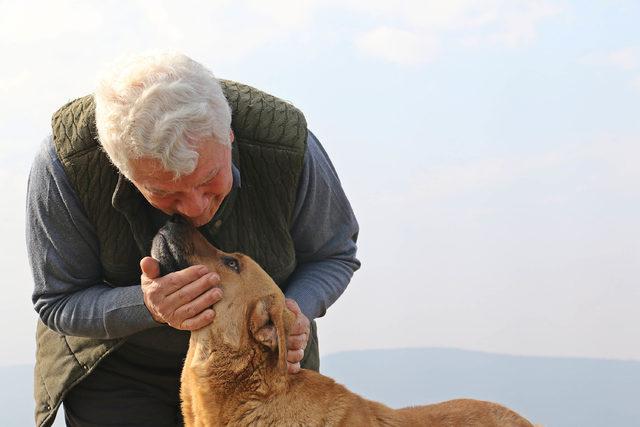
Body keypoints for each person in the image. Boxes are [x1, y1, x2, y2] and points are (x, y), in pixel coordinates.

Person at [26, 52, 360, 427]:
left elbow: (334, 255)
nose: (196, 209)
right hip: (121, 372)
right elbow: (58, 301)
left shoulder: (287, 146)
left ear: (229, 135)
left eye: (208, 179)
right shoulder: (64, 166)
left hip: (259, 376)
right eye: (165, 193)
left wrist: (291, 313)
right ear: (120, 167)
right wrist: (148, 306)